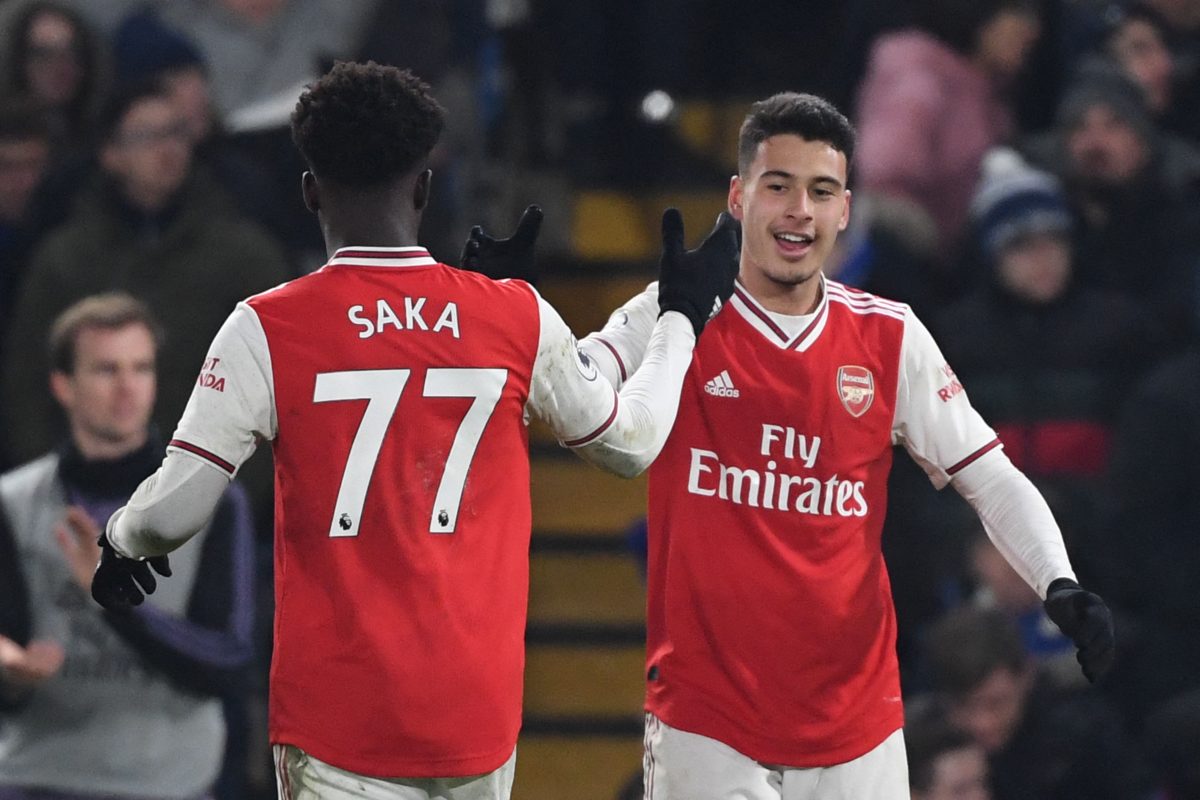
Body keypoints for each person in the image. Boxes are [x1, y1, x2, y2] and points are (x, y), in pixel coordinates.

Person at [91, 61, 738, 799]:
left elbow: (175, 511)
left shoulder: (267, 328)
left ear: (310, 192)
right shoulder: (511, 317)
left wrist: (124, 540)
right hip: (474, 718)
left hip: (339, 722)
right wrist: (676, 314)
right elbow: (629, 444)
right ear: (425, 189)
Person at [471, 91, 1113, 799]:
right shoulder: (675, 308)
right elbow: (580, 398)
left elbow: (989, 477)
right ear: (739, 197)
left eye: (821, 191)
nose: (800, 209)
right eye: (779, 186)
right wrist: (514, 317)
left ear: (845, 210)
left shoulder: (890, 337)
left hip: (857, 726)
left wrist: (1057, 578)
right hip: (706, 722)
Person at [0, 292, 255, 800]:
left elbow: (230, 664)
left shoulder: (213, 501)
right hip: (37, 776)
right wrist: (10, 675)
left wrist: (115, 602)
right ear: (62, 385)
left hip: (166, 784)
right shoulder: (13, 503)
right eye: (105, 370)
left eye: (141, 368)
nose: (127, 388)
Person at [923, 607, 1150, 800]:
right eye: (964, 706)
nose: (983, 723)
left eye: (997, 703)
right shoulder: (922, 745)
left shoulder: (1085, 737)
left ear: (1026, 677)